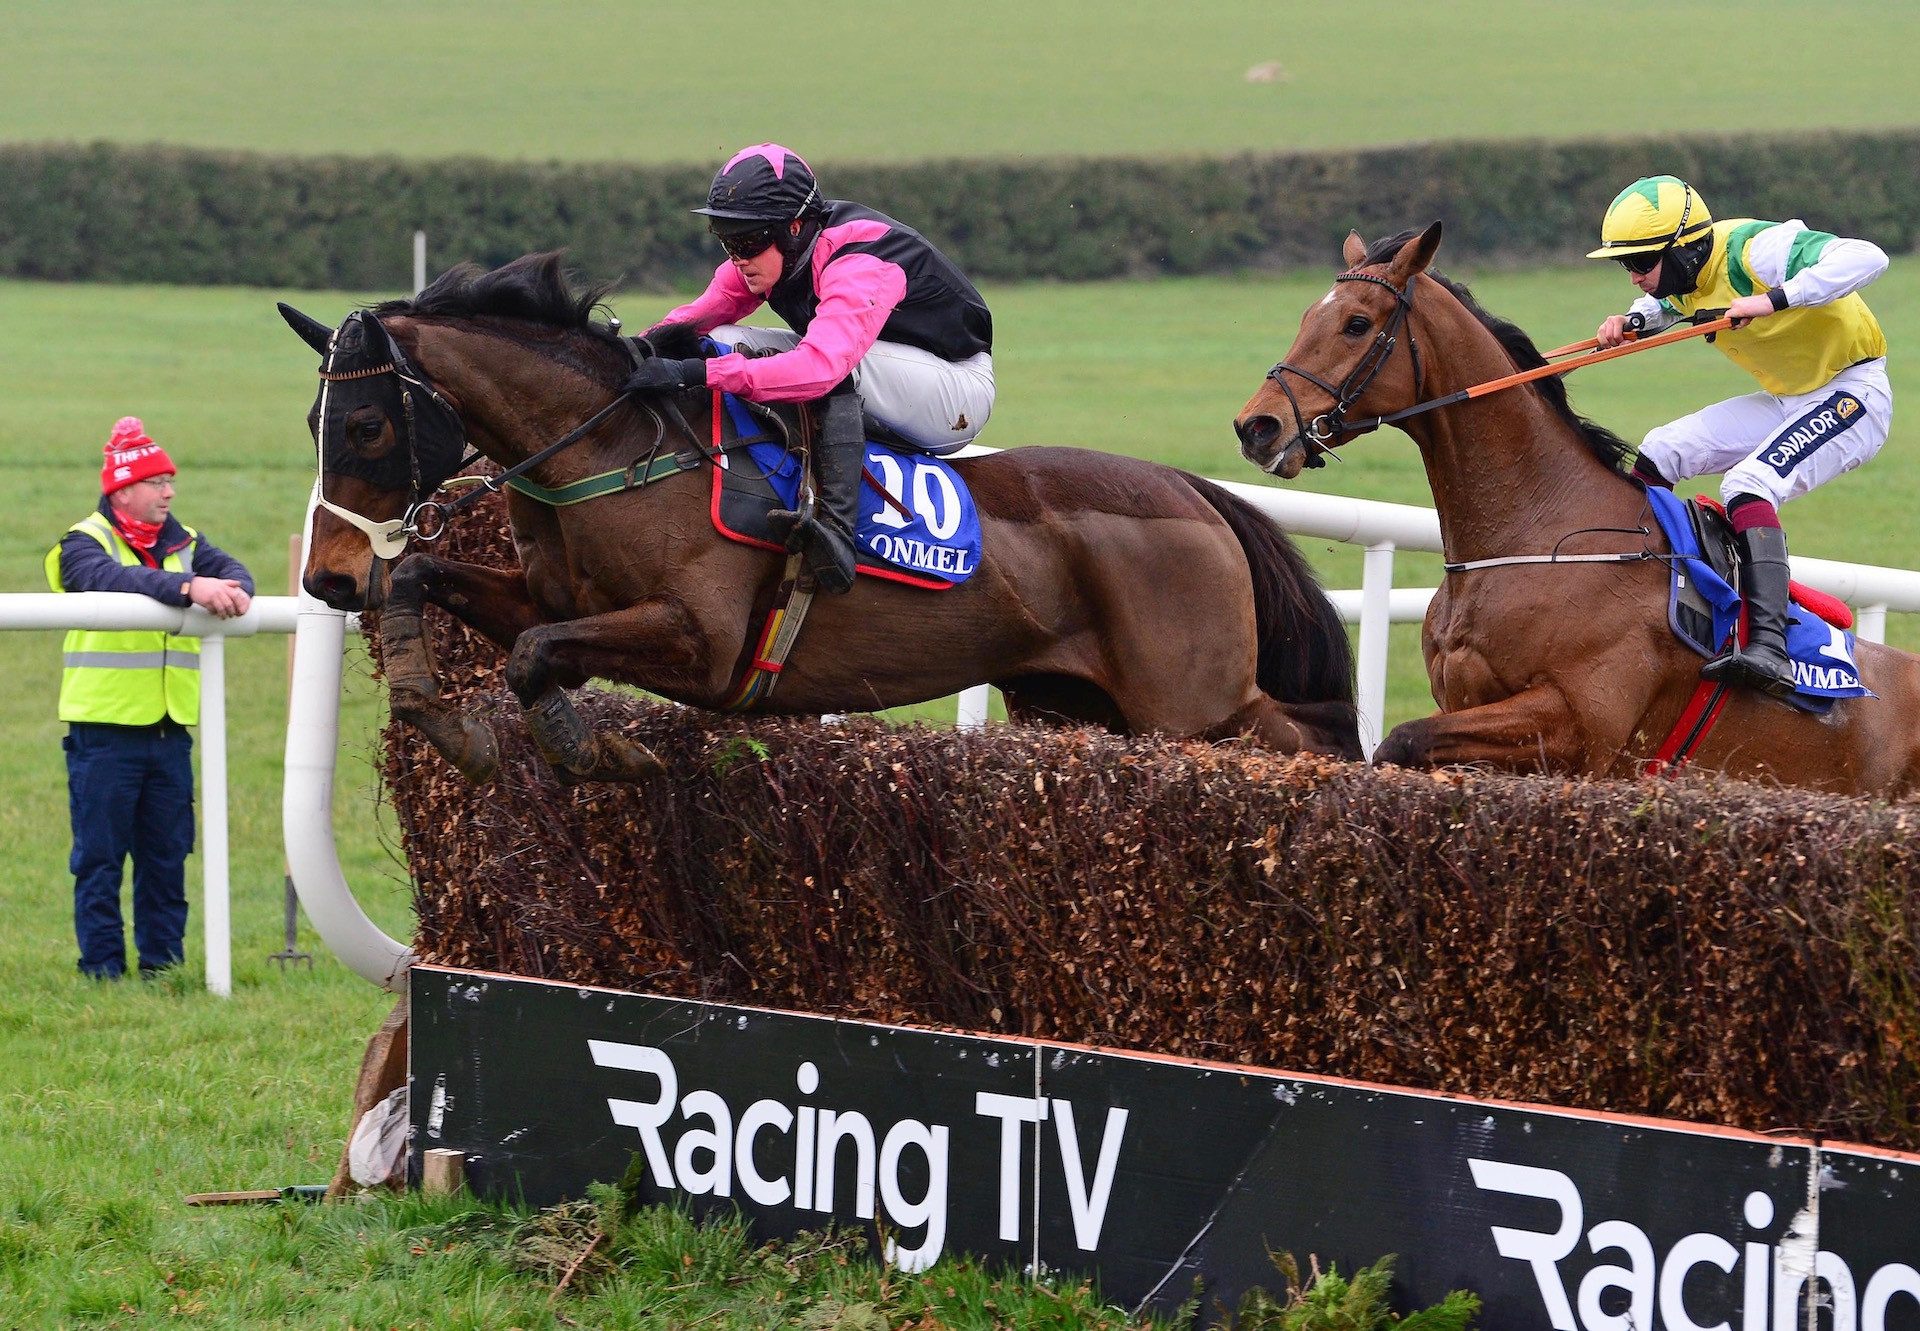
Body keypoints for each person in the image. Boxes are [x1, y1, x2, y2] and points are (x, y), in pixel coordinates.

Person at [625, 143, 995, 594]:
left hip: (954, 389)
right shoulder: (773, 256)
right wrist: (631, 352)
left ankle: (837, 533)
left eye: (748, 241)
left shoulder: (860, 263)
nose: (738, 257)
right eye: (726, 240)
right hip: (885, 363)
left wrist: (698, 375)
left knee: (830, 369)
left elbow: (819, 368)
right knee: (718, 344)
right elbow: (696, 317)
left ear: (795, 228)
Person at [1589, 175, 1891, 697]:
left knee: (1748, 484)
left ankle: (1770, 649)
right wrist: (1635, 319)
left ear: (1683, 249)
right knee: (1660, 451)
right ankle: (1638, 586)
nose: (1634, 277)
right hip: (1787, 398)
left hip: (1853, 393)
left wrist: (1775, 299)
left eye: (1640, 263)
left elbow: (1868, 257)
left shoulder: (1757, 249)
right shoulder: (1683, 276)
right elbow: (1674, 304)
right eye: (1626, 266)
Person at [45, 418, 254, 980]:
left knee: (166, 861)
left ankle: (164, 973)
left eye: (170, 482)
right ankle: (102, 975)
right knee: (99, 861)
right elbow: (105, 579)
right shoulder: (82, 541)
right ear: (123, 490)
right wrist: (191, 589)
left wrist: (230, 590)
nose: (169, 493)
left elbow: (238, 575)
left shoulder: (185, 541)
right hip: (103, 732)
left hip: (168, 731)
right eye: (157, 482)